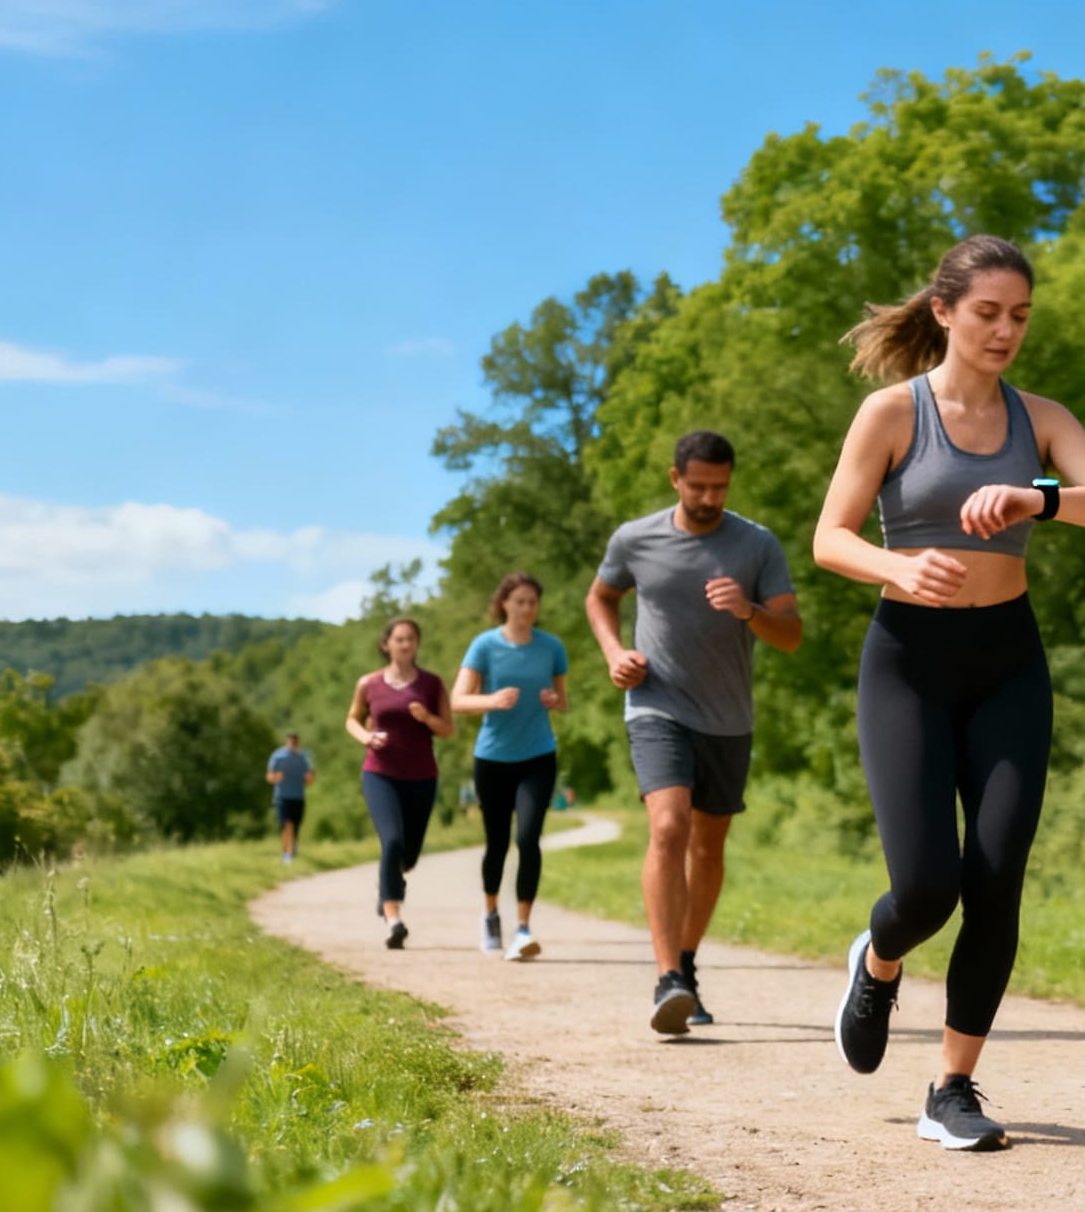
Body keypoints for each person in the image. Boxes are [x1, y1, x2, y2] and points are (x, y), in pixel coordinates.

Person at [813, 234, 1085, 1152]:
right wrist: (897, 566)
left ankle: (952, 1088)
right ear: (944, 311)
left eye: (1020, 316)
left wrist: (1040, 497)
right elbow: (830, 538)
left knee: (995, 879)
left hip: (1008, 663)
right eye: (988, 313)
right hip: (908, 662)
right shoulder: (892, 412)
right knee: (926, 889)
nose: (1005, 331)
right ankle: (880, 959)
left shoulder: (1041, 419)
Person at [587, 430, 802, 1035]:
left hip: (728, 717)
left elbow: (791, 633)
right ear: (675, 478)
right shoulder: (636, 538)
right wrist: (614, 653)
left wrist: (749, 611)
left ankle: (685, 963)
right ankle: (666, 978)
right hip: (655, 703)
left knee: (708, 849)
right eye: (699, 486)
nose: (710, 498)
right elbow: (600, 597)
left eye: (721, 487)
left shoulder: (756, 544)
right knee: (668, 826)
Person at [452, 572, 570, 961]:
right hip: (493, 758)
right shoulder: (484, 645)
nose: (527, 609)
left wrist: (553, 701)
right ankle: (490, 914)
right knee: (498, 842)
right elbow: (457, 700)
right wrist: (492, 700)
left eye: (532, 602)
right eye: (519, 601)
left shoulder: (551, 647)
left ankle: (523, 928)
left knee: (528, 838)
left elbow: (564, 701)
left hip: (538, 755)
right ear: (504, 603)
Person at [344, 617, 454, 949]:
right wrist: (367, 737)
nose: (406, 644)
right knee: (392, 841)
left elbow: (447, 729)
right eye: (399, 639)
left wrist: (427, 718)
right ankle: (393, 920)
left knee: (409, 856)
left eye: (411, 639)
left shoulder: (432, 684)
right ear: (386, 644)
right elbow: (353, 719)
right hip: (380, 774)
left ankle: (388, 883)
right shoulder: (369, 683)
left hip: (422, 777)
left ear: (417, 644)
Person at [265, 732, 315, 862]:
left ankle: (292, 850)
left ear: (298, 742)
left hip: (298, 796)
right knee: (286, 824)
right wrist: (276, 777)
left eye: (295, 742)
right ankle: (287, 853)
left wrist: (309, 779)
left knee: (296, 825)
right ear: (287, 742)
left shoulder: (305, 757)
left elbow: (311, 777)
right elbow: (269, 776)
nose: (292, 744)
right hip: (282, 796)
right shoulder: (277, 756)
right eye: (290, 741)